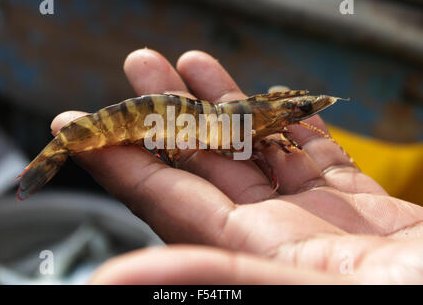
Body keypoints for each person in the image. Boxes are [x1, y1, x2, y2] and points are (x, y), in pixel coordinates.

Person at [51, 49, 423, 284]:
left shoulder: (257, 124)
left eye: (299, 111)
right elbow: (237, 143)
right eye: (299, 110)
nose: (302, 113)